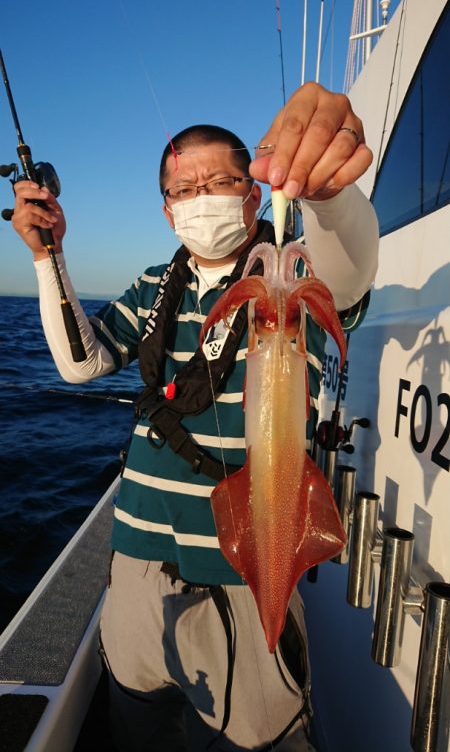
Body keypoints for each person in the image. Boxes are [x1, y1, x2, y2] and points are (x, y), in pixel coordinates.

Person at [12, 82, 379, 752]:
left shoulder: (297, 282)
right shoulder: (155, 285)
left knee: (262, 734)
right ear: (167, 209)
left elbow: (348, 271)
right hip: (138, 576)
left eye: (224, 179)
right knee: (139, 726)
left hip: (247, 573)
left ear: (252, 194)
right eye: (186, 187)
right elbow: (81, 362)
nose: (203, 194)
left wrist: (329, 194)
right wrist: (48, 257)